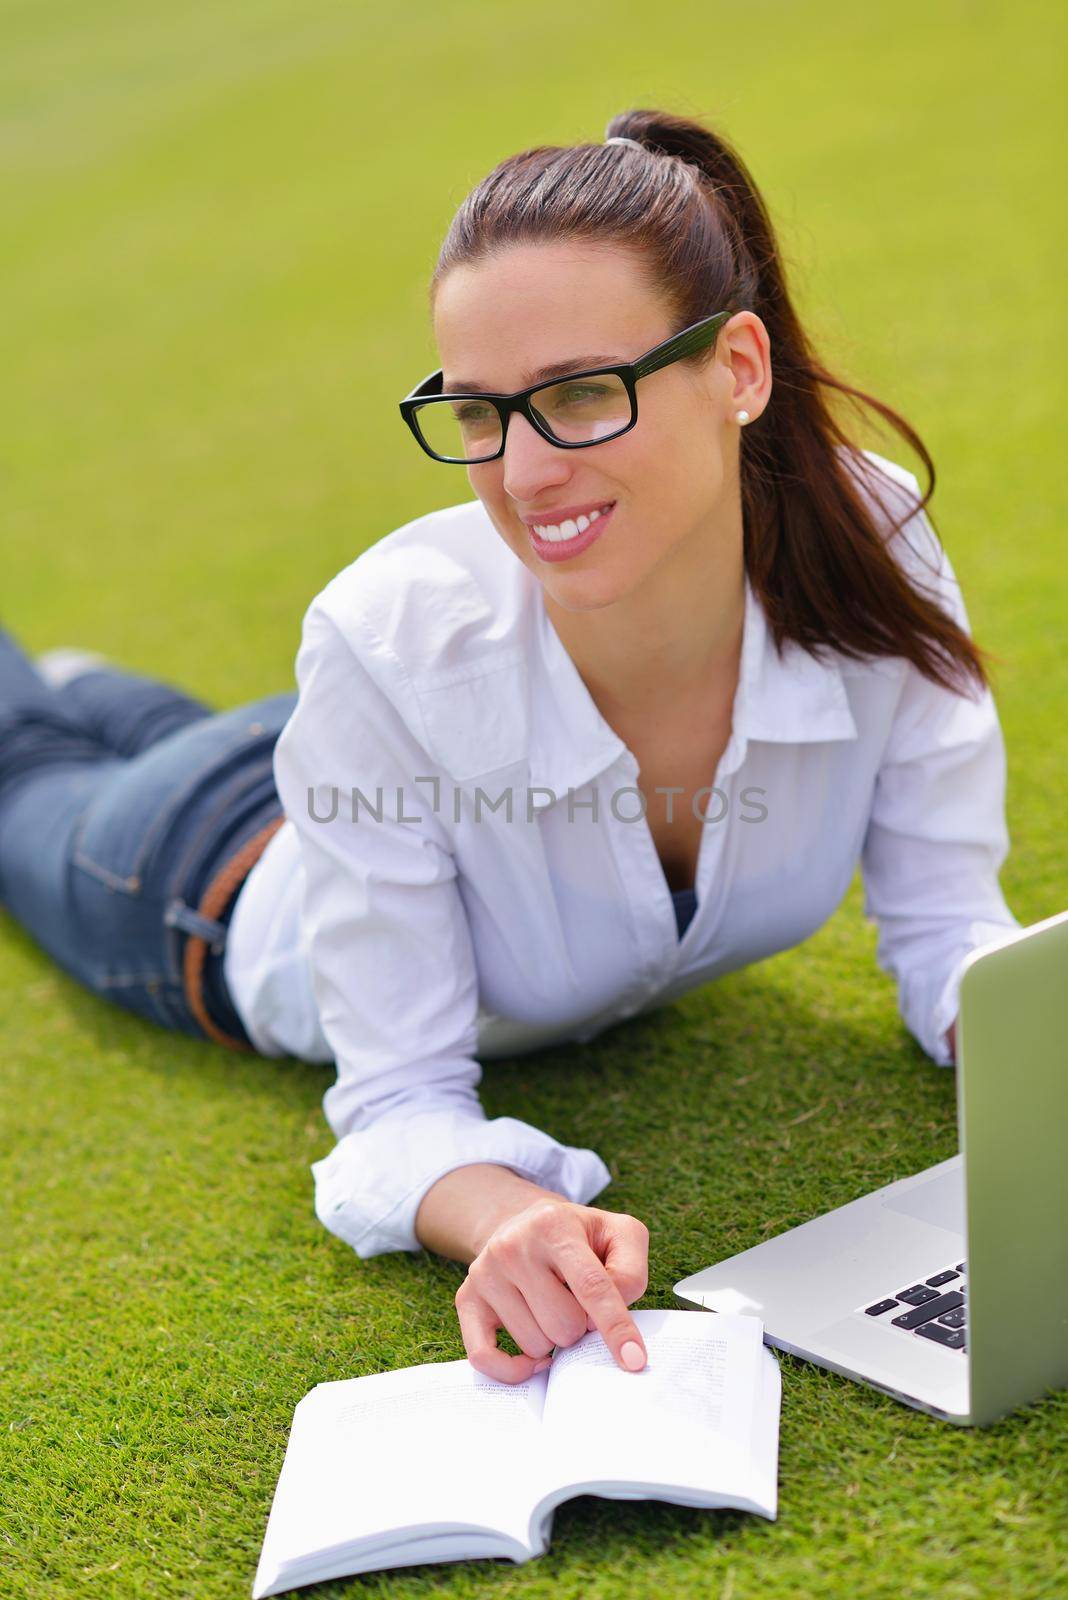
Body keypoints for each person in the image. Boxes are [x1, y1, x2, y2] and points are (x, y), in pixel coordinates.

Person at [0, 108, 1020, 1386]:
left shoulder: (870, 541)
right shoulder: (386, 639)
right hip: (202, 875)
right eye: (481, 414)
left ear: (741, 368)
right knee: (24, 763)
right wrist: (506, 1214)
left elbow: (946, 931)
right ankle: (72, 712)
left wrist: (1025, 1040)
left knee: (125, 724)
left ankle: (110, 697)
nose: (524, 470)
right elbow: (397, 1108)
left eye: (584, 393)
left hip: (349, 769)